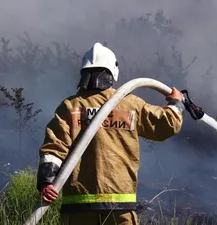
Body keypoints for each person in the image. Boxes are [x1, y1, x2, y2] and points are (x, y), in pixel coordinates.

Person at [36, 42, 185, 225]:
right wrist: (176, 104)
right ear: (113, 72)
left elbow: (54, 147)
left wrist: (47, 181)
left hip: (78, 209)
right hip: (119, 207)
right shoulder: (130, 105)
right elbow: (166, 125)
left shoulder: (70, 107)